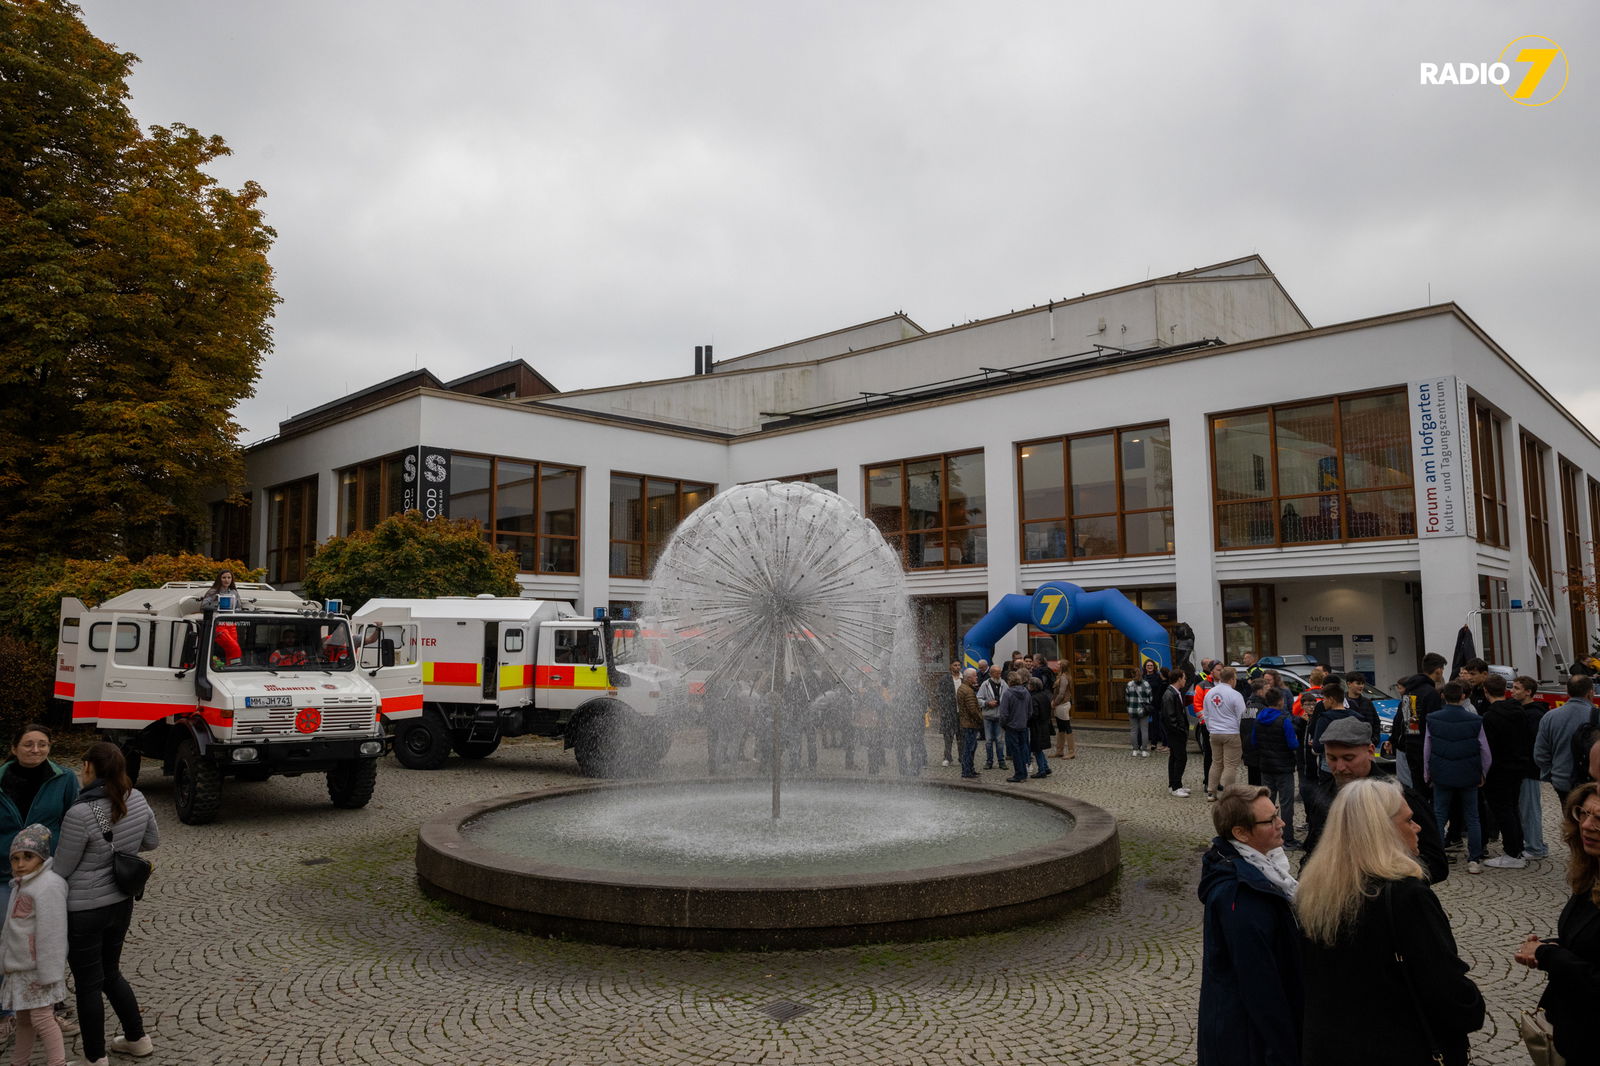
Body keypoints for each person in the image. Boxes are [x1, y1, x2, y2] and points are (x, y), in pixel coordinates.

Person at [1297, 778, 1484, 1066]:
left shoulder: (1314, 891)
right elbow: (1443, 985)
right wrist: (1471, 1005)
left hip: (1329, 1046)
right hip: (1397, 1047)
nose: (1418, 827)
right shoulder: (1406, 896)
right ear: (1382, 830)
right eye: (1409, 820)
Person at [53, 742, 159, 1065]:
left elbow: (62, 869)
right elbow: (151, 841)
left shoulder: (80, 812)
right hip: (121, 902)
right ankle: (137, 1039)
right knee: (111, 973)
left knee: (88, 984)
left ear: (88, 767)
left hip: (84, 910)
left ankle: (95, 1058)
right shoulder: (136, 798)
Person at [1196, 785, 1302, 1066]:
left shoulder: (1267, 871)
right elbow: (1260, 987)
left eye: (1277, 815)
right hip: (1247, 1043)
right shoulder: (1240, 897)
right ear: (1241, 834)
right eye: (1270, 821)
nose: (1282, 824)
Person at [1302, 717, 1449, 884]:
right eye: (1332, 759)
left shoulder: (1401, 798)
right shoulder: (1325, 795)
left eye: (1348, 758)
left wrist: (1384, 882)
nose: (1340, 767)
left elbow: (1437, 864)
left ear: (1370, 751)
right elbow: (1312, 851)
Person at [1514, 781, 1600, 1065]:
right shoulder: (1590, 874)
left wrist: (1548, 954)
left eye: (1599, 818)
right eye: (1583, 814)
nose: (1587, 825)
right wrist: (1549, 946)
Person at [0, 824, 69, 1066]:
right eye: (15, 858)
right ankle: (20, 1061)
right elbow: (9, 929)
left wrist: (49, 972)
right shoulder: (21, 884)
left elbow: (53, 932)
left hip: (38, 969)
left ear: (42, 858)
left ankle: (57, 1062)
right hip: (20, 967)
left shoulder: (48, 885)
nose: (20, 863)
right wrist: (5, 961)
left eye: (27, 857)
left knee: (42, 1018)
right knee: (24, 1019)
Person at [1424, 681, 1492, 875]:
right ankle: (1474, 859)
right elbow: (1485, 750)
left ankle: (1438, 856)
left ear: (1443, 696)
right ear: (1463, 696)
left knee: (1439, 815)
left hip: (1442, 773)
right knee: (1472, 816)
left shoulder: (1432, 718)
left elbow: (1427, 749)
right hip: (1469, 773)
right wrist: (1483, 772)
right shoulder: (1475, 719)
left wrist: (1427, 773)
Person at [1480, 674, 1532, 869]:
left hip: (1499, 769)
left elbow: (1487, 748)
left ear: (1486, 692)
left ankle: (1512, 852)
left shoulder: (1490, 716)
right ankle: (1517, 848)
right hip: (1518, 766)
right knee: (1512, 808)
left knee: (1503, 810)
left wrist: (1483, 771)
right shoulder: (1519, 710)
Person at [1248, 686, 1301, 850]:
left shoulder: (1259, 719)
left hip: (1266, 766)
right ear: (1281, 701)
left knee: (1267, 803)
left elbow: (1254, 742)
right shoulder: (1284, 720)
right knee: (1286, 804)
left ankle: (1265, 836)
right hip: (1283, 767)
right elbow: (1293, 744)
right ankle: (1288, 838)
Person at [1536, 675, 1597, 809]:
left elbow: (1540, 754)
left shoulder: (1549, 717)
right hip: (1593, 782)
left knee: (1570, 821)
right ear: (1590, 692)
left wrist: (1551, 775)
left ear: (1567, 692)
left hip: (1562, 781)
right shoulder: (1596, 715)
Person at [1394, 651, 1447, 797]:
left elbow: (1409, 723)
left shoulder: (1410, 691)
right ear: (1438, 670)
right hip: (1427, 751)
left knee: (1418, 792)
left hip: (1412, 748)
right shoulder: (1431, 693)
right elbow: (1434, 726)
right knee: (1430, 795)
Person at [1516, 675, 1552, 859]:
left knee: (1530, 809)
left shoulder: (1533, 714)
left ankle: (1535, 847)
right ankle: (1533, 843)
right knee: (1526, 808)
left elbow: (1534, 744)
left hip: (1529, 768)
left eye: (1517, 688)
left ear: (1528, 692)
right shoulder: (1526, 711)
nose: (1513, 692)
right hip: (1526, 767)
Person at [1204, 666, 1246, 799]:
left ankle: (1211, 791)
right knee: (1230, 765)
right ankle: (1228, 794)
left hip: (1215, 732)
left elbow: (1206, 714)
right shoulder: (1235, 694)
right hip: (1231, 732)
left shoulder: (1210, 693)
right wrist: (1241, 734)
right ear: (1232, 679)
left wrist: (1211, 728)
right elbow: (1242, 715)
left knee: (1216, 762)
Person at [1159, 667, 1191, 796]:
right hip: (1176, 733)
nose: (1185, 680)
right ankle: (1176, 786)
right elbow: (1169, 717)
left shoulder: (1174, 692)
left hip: (1176, 732)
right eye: (1184, 678)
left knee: (1175, 758)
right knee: (1180, 758)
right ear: (1179, 679)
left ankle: (1174, 784)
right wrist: (1181, 730)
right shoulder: (1169, 694)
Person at [1000, 672, 1033, 784]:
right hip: (1023, 725)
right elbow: (1030, 711)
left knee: (1015, 751)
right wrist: (1024, 720)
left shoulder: (1007, 694)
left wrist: (1003, 724)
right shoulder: (1026, 692)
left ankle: (1019, 774)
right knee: (1024, 749)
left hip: (1011, 727)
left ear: (1009, 681)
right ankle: (1024, 772)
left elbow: (1004, 713)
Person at [977, 664, 1008, 771]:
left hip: (1000, 716)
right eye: (997, 673)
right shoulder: (985, 684)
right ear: (991, 673)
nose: (999, 675)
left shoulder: (1004, 684)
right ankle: (989, 761)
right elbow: (978, 699)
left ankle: (1001, 761)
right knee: (989, 740)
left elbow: (1008, 698)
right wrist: (987, 703)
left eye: (1000, 673)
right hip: (988, 716)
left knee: (1000, 740)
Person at [955, 668, 983, 779]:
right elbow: (973, 710)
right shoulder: (968, 691)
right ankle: (967, 771)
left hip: (965, 723)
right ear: (969, 678)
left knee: (968, 748)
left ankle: (969, 769)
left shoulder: (962, 688)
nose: (977, 678)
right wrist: (981, 719)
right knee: (969, 749)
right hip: (970, 724)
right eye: (975, 676)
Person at [1026, 677, 1053, 779]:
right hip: (1045, 724)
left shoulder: (1034, 698)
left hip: (1037, 726)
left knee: (1037, 749)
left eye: (1029, 685)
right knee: (1039, 748)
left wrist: (1028, 719)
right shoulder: (1044, 696)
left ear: (1032, 686)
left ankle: (1041, 770)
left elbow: (1034, 714)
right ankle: (1045, 767)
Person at [935, 663, 960, 768]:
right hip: (948, 712)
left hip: (961, 713)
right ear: (950, 667)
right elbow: (938, 694)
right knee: (948, 737)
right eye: (955, 665)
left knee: (961, 737)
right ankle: (947, 757)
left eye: (959, 665)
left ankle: (962, 757)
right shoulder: (945, 679)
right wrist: (944, 706)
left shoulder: (964, 678)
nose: (957, 667)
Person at [1124, 668, 1153, 757]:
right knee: (1144, 730)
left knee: (1133, 731)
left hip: (1132, 710)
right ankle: (1144, 750)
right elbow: (1151, 698)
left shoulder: (1129, 684)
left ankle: (1135, 750)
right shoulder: (1146, 684)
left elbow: (1127, 698)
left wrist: (1130, 707)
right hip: (1143, 711)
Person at [1050, 668, 1075, 760]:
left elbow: (1061, 693)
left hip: (1062, 704)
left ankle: (1071, 751)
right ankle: (1059, 750)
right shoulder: (1061, 676)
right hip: (1060, 704)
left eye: (1059, 664)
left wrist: (1055, 702)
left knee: (1066, 727)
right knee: (1061, 728)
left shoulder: (1064, 677)